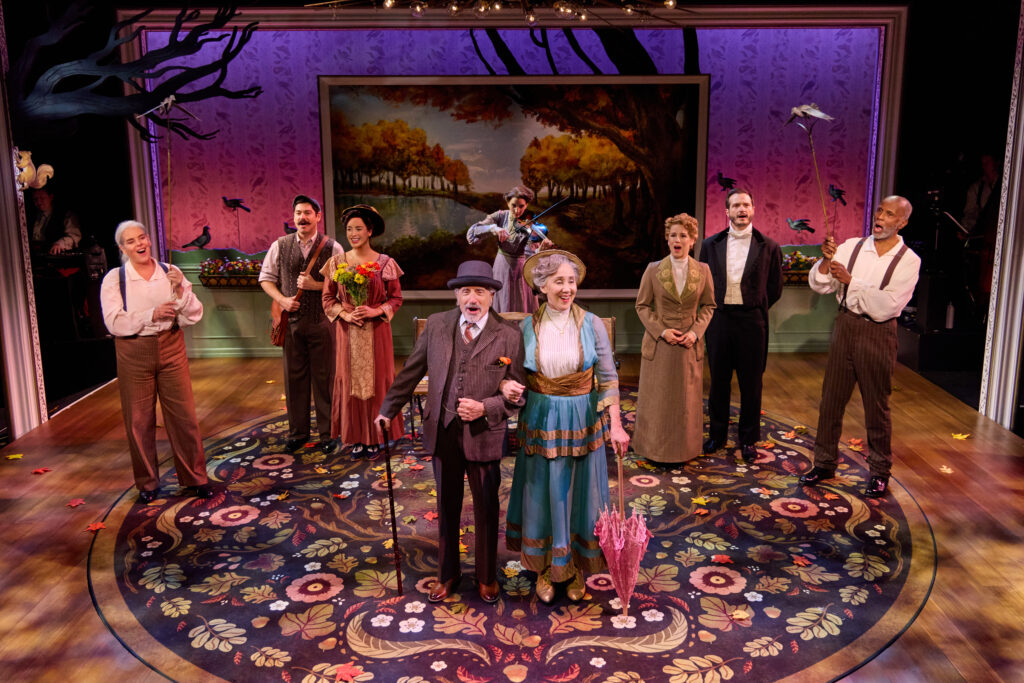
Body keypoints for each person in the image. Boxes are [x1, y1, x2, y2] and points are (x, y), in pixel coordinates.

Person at [376, 261, 525, 604]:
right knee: (446, 504)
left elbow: (519, 394)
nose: (472, 298)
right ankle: (448, 574)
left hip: (484, 433)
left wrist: (486, 407)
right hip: (443, 428)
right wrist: (387, 410)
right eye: (466, 291)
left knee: (486, 506)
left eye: (480, 291)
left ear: (491, 296)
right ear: (457, 295)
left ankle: (486, 577)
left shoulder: (509, 334)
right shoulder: (437, 325)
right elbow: (411, 371)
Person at [504, 250, 630, 604]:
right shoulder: (526, 327)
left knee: (580, 493)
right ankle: (546, 566)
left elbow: (608, 378)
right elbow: (513, 374)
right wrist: (506, 385)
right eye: (558, 281)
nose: (567, 288)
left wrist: (616, 425)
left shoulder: (592, 324)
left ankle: (573, 567)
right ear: (541, 286)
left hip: (582, 418)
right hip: (540, 417)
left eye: (571, 281)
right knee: (543, 493)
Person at [800, 196, 921, 498]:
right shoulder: (851, 247)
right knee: (831, 400)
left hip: (878, 333)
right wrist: (826, 261)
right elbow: (821, 285)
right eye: (879, 210)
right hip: (845, 325)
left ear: (902, 223)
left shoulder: (908, 260)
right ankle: (824, 463)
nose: (880, 217)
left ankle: (880, 471)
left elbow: (888, 305)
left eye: (889, 214)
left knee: (876, 407)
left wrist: (852, 281)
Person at [99, 220, 212, 503]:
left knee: (184, 416)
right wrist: (151, 314)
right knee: (139, 420)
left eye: (142, 237)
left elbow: (194, 315)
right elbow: (113, 322)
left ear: (149, 240)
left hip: (171, 345)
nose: (139, 244)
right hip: (134, 351)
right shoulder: (115, 279)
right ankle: (148, 484)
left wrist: (180, 291)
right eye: (131, 241)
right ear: (122, 248)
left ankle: (195, 478)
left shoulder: (169, 271)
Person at [699, 188, 782, 462]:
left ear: (753, 209)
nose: (742, 209)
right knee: (718, 382)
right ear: (727, 212)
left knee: (751, 383)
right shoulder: (710, 245)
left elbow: (775, 288)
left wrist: (753, 305)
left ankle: (748, 440)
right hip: (720, 320)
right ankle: (717, 435)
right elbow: (702, 283)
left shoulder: (769, 246)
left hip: (752, 321)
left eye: (746, 204)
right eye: (736, 205)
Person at [259, 195, 343, 454]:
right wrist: (282, 300)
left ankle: (329, 434)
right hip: (293, 325)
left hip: (323, 323)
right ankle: (298, 434)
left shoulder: (333, 248)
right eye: (298, 213)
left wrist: (316, 285)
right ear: (293, 216)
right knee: (294, 380)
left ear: (318, 216)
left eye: (307, 213)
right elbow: (266, 279)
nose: (302, 217)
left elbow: (343, 286)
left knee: (325, 380)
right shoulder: (280, 245)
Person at [321, 204, 404, 458]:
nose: (353, 234)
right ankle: (355, 436)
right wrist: (346, 314)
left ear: (369, 231)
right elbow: (328, 299)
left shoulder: (385, 263)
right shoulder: (336, 263)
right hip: (347, 332)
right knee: (349, 382)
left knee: (378, 381)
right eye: (349, 229)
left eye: (358, 228)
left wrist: (374, 311)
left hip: (377, 332)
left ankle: (377, 436)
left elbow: (395, 299)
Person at [634, 213, 716, 465]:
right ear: (667, 239)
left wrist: (695, 332)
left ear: (693, 239)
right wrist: (661, 331)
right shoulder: (653, 269)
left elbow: (709, 306)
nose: (677, 240)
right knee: (658, 401)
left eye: (683, 235)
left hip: (688, 345)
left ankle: (684, 450)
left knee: (685, 402)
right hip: (660, 345)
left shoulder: (703, 271)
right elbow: (642, 306)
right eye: (672, 235)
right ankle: (654, 449)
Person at [466, 185, 553, 313]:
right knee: (503, 299)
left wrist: (540, 251)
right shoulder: (500, 216)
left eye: (521, 206)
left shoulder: (530, 223)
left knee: (522, 302)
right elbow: (473, 232)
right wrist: (493, 228)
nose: (517, 210)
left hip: (522, 267)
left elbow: (530, 254)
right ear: (507, 203)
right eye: (513, 205)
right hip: (502, 265)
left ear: (526, 205)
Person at [29, 185, 82, 255]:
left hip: (55, 257)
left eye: (42, 198)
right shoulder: (31, 215)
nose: (39, 202)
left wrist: (60, 244)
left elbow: (74, 236)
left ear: (51, 197)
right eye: (35, 199)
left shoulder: (65, 214)